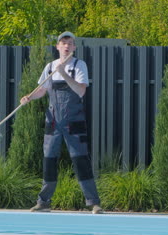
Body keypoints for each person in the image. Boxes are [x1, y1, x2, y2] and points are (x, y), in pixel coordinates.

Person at [20, 31, 102, 214]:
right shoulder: (50, 66)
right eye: (63, 43)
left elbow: (81, 91)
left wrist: (64, 74)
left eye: (70, 43)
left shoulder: (79, 66)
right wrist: (29, 97)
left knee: (81, 160)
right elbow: (42, 90)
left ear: (74, 47)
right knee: (49, 160)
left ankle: (94, 202)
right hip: (53, 122)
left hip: (74, 122)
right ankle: (43, 202)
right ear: (57, 46)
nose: (66, 46)